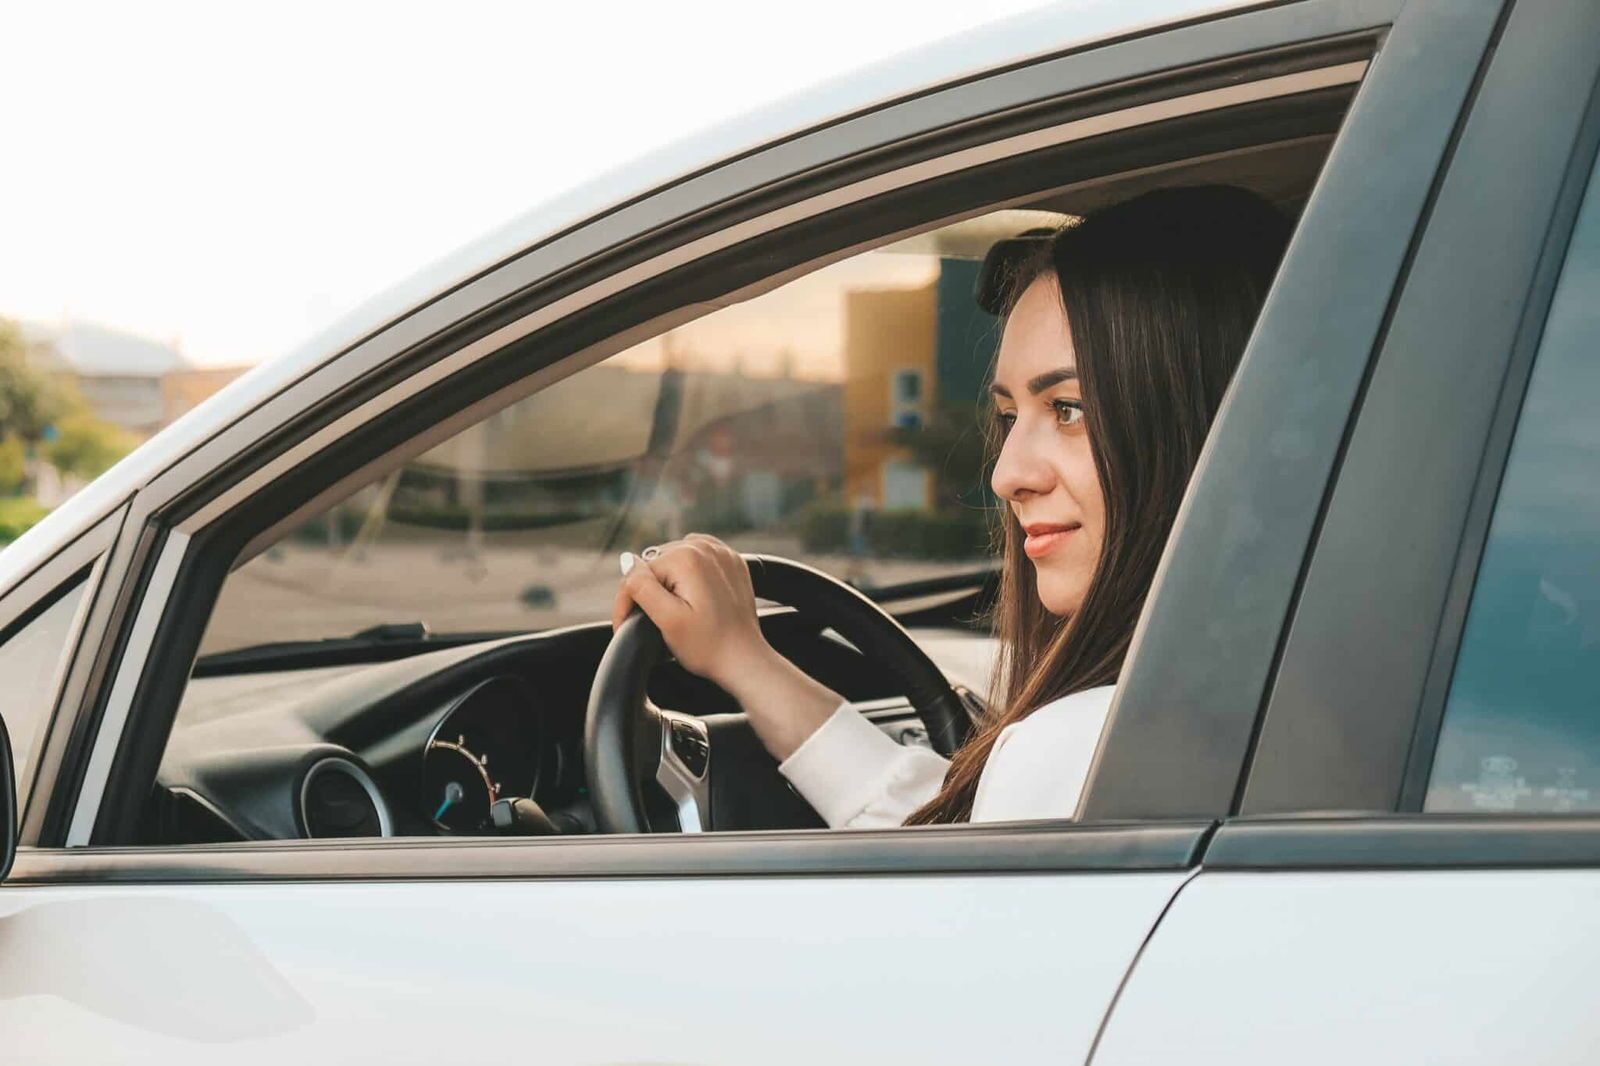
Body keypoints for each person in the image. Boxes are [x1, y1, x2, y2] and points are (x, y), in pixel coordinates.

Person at [611, 185, 1291, 827]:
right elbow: (946, 830)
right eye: (1009, 416)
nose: (1006, 476)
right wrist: (743, 659)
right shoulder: (1270, 706)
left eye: (1069, 409)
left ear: (1208, 426)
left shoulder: (1088, 746)